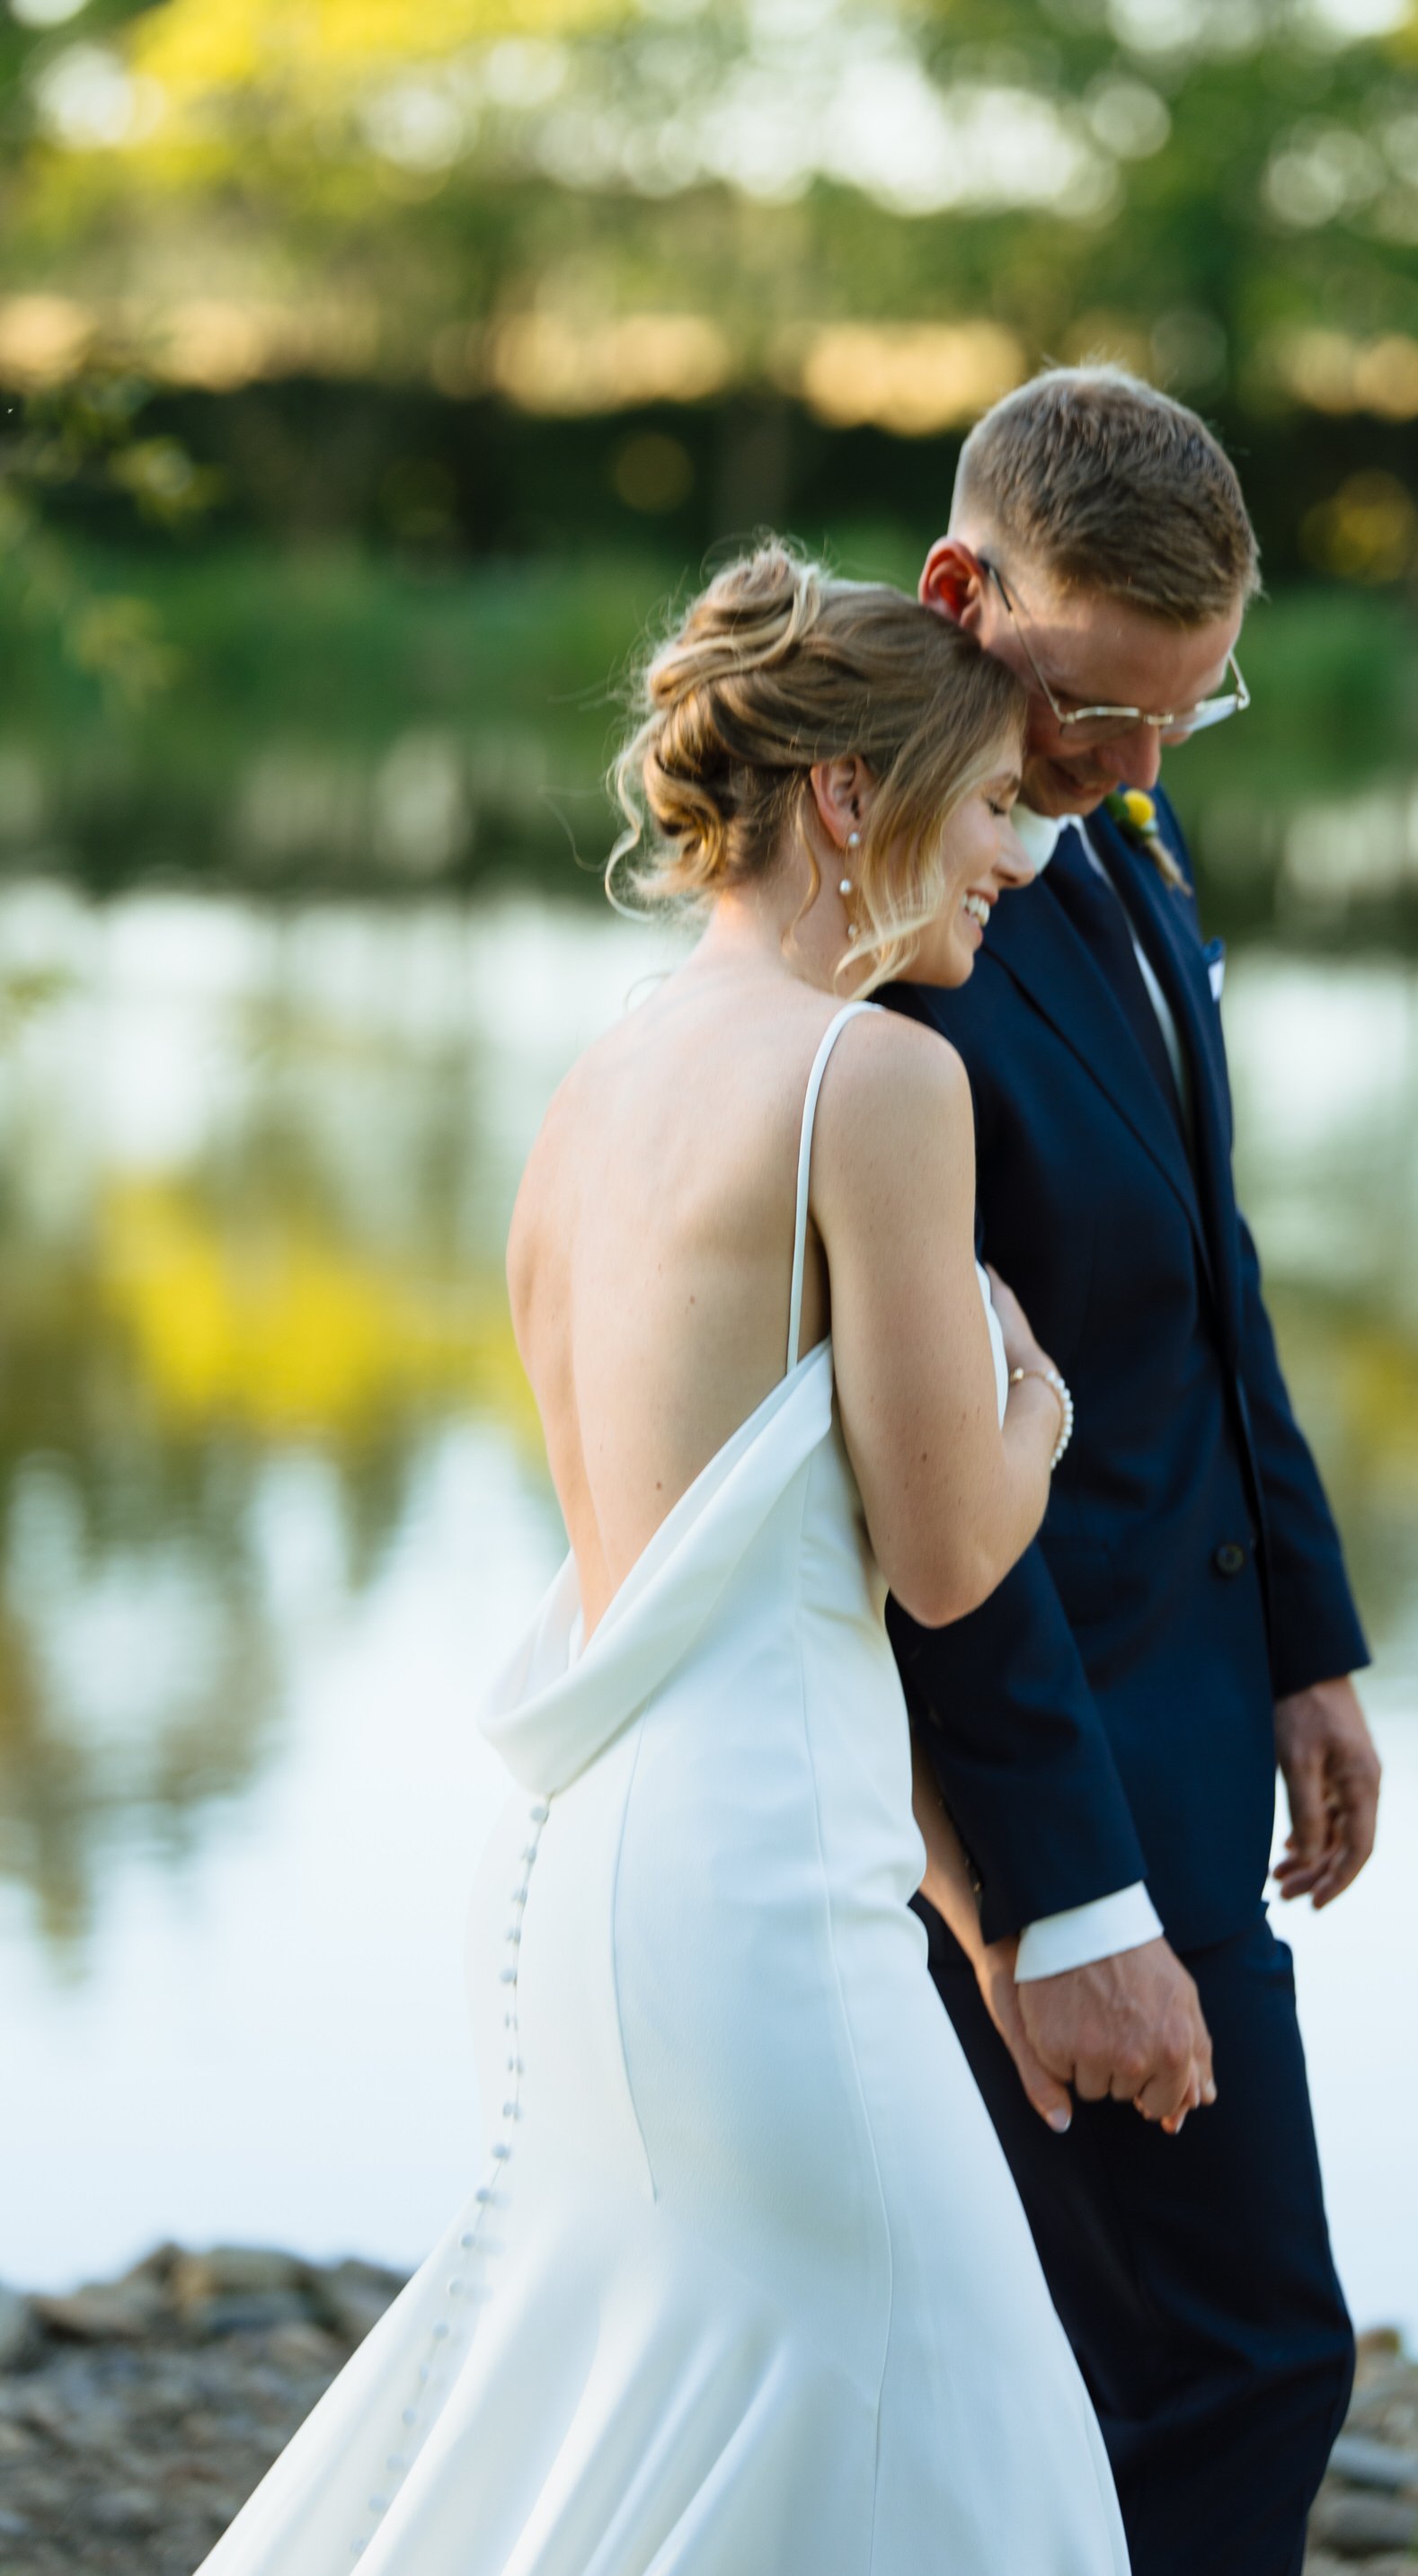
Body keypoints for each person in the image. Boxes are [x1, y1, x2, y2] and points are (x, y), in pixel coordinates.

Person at [195, 545, 1132, 2575]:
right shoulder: (879, 1077)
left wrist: (968, 1901)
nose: (1016, 858)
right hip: (758, 1900)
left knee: (685, 2458)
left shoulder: (601, 1079)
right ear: (849, 800)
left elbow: (695, 1554)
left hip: (579, 1876)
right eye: (990, 806)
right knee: (982, 2477)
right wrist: (1039, 1405)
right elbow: (947, 1560)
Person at [883, 367, 1384, 2576]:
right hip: (1036, 1772)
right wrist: (1058, 1899)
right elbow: (913, 1510)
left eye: (1194, 711)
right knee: (1235, 2359)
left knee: (1107, 2373)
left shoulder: (1112, 829)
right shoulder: (889, 960)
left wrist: (1303, 1636)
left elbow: (1201, 1264)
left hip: (1196, 1699)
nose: (1140, 768)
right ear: (958, 596)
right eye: (1100, 709)